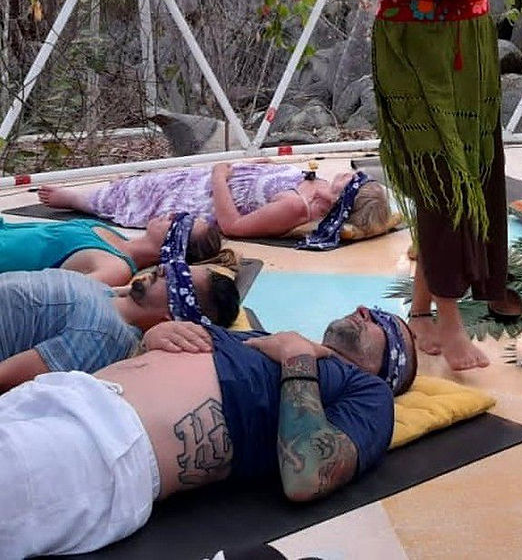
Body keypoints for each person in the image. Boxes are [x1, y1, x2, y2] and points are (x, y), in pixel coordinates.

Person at [0, 307, 416, 556]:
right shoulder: (279, 339)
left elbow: (307, 476)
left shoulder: (369, 393)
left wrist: (297, 358)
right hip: (65, 394)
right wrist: (153, 339)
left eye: (380, 319)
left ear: (389, 368)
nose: (363, 309)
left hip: (107, 445)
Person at [372, 0, 513, 371]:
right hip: (403, 47)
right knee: (431, 172)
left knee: (459, 173)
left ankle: (434, 314)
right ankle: (436, 316)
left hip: (461, 52)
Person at [0, 259, 240, 393]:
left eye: (176, 278)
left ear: (175, 314)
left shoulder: (103, 336)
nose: (161, 269)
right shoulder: (108, 295)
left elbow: (7, 378)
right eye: (172, 266)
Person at [37, 159, 391, 243]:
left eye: (352, 181)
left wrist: (219, 177)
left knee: (139, 198)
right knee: (147, 183)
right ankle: (109, 191)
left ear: (343, 201)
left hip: (206, 194)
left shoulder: (296, 208)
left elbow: (233, 226)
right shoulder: (321, 184)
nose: (347, 174)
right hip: (216, 178)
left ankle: (83, 200)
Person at [0, 212, 221, 286]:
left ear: (174, 247)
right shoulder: (115, 235)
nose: (173, 213)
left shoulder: (116, 268)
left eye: (181, 222)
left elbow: (55, 296)